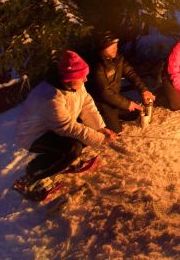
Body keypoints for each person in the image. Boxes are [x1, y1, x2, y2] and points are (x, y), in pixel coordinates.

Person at [13, 50, 117, 200]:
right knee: (71, 149)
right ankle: (34, 174)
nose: (86, 80)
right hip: (32, 134)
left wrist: (100, 128)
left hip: (52, 127)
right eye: (82, 77)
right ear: (70, 78)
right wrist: (99, 138)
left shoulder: (76, 85)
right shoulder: (49, 96)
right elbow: (68, 127)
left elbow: (87, 105)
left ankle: (64, 162)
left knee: (83, 136)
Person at [88, 31, 155, 133]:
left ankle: (115, 113)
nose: (116, 48)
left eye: (116, 45)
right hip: (101, 103)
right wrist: (128, 104)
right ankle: (101, 117)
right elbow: (104, 93)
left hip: (115, 97)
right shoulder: (97, 65)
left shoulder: (118, 58)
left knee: (136, 113)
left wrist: (143, 90)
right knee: (116, 131)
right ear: (102, 48)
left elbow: (130, 73)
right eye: (112, 47)